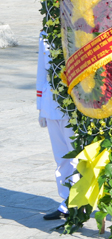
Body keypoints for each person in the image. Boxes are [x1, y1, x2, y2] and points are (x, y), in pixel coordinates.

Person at [36, 31, 78, 221]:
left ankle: (77, 203)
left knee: (76, 157)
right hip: (51, 104)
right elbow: (41, 70)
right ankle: (66, 202)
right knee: (61, 158)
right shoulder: (46, 32)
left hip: (73, 105)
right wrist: (40, 106)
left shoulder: (76, 28)